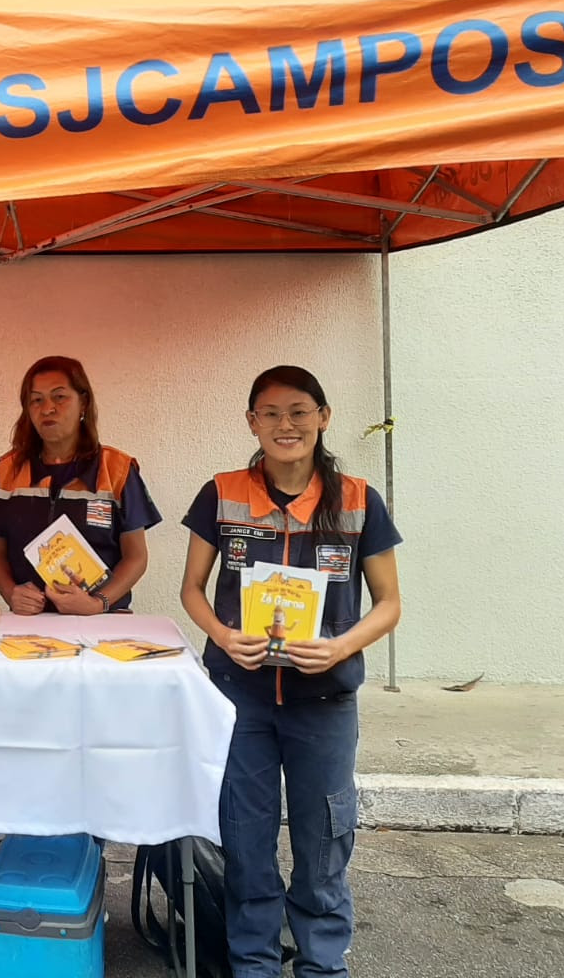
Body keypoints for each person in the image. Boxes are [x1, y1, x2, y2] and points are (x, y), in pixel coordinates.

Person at [179, 365, 403, 978]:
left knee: (324, 838)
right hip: (240, 698)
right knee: (245, 839)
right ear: (252, 422)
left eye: (300, 411)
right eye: (271, 413)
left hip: (324, 701)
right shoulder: (222, 493)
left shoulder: (357, 500)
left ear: (323, 418)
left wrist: (339, 648)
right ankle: (252, 963)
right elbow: (192, 588)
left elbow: (389, 603)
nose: (286, 424)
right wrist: (223, 635)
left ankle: (322, 964)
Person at [0, 356, 161, 616]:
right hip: (31, 621)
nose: (47, 409)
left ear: (83, 403)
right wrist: (11, 593)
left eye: (59, 397)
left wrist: (98, 603)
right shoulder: (8, 470)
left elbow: (136, 557)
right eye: (36, 400)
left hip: (102, 620)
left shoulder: (117, 469)